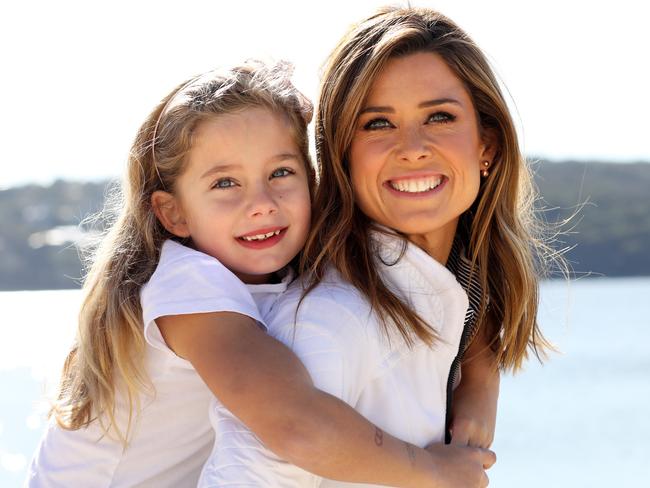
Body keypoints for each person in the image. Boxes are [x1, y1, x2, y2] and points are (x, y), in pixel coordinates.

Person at [26, 60, 495, 488]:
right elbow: (296, 425)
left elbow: (467, 312)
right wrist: (432, 472)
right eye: (225, 183)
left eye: (281, 173)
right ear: (174, 214)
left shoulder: (284, 269)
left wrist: (477, 388)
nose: (262, 204)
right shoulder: (189, 286)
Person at [198, 6, 553, 488]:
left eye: (440, 117)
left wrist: (481, 372)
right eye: (378, 124)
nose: (412, 147)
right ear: (340, 154)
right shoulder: (330, 319)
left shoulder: (450, 299)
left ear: (486, 146)